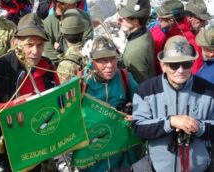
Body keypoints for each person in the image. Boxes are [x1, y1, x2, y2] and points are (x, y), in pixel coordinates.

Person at [0, 13, 60, 171]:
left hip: (41, 138)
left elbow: (56, 99)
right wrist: (13, 106)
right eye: (29, 44)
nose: (35, 51)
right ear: (15, 43)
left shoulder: (47, 67)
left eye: (40, 45)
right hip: (9, 144)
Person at [132, 35, 214, 172]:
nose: (180, 70)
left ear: (193, 64)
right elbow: (139, 128)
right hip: (159, 168)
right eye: (174, 65)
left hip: (201, 168)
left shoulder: (209, 91)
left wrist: (198, 127)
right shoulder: (145, 91)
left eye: (186, 64)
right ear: (163, 65)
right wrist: (170, 122)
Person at [81, 36, 138, 172]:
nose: (110, 65)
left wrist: (135, 114)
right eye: (102, 60)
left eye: (113, 58)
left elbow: (144, 102)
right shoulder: (82, 82)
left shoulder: (124, 77)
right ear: (92, 61)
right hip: (93, 155)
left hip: (121, 153)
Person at [150, 0, 203, 74]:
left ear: (171, 20)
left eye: (161, 19)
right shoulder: (162, 31)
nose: (158, 21)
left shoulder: (189, 42)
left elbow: (195, 73)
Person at [43, 0, 93, 66]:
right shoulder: (47, 25)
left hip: (83, 65)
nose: (76, 6)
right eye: (72, 4)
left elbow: (87, 45)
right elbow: (50, 54)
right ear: (60, 5)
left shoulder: (84, 18)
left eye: (76, 3)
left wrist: (60, 52)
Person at [118, 0, 156, 83]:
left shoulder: (135, 53)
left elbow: (138, 85)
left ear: (135, 21)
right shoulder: (145, 32)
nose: (121, 20)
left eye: (125, 17)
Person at [56, 8, 87, 83]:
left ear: (63, 33)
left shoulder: (65, 65)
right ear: (83, 31)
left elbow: (63, 92)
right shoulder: (93, 48)